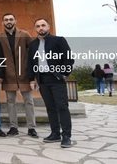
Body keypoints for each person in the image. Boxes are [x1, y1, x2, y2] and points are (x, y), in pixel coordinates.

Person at [28, 18, 74, 149]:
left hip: (57, 79)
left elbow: (68, 58)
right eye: (38, 26)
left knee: (62, 107)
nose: (40, 28)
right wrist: (32, 79)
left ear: (48, 26)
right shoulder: (32, 45)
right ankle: (55, 133)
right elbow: (30, 63)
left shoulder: (59, 40)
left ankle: (66, 136)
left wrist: (64, 75)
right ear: (35, 29)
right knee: (50, 108)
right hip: (42, 80)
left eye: (43, 25)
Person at [0, 13, 38, 138]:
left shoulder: (24, 35)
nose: (9, 21)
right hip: (8, 74)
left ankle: (32, 128)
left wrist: (33, 74)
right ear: (2, 22)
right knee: (10, 102)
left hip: (24, 73)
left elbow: (34, 53)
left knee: (29, 101)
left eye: (11, 19)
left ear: (15, 20)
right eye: (6, 19)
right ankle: (13, 127)